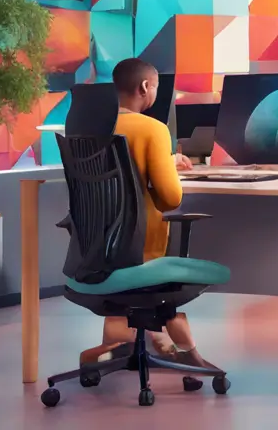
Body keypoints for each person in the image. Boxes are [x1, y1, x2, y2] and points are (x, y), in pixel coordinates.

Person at [81, 58, 197, 365]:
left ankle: (127, 343)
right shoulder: (153, 130)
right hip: (143, 256)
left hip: (93, 255)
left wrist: (163, 161)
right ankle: (185, 353)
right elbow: (171, 199)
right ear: (145, 87)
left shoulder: (88, 127)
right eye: (156, 87)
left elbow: (117, 173)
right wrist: (167, 169)